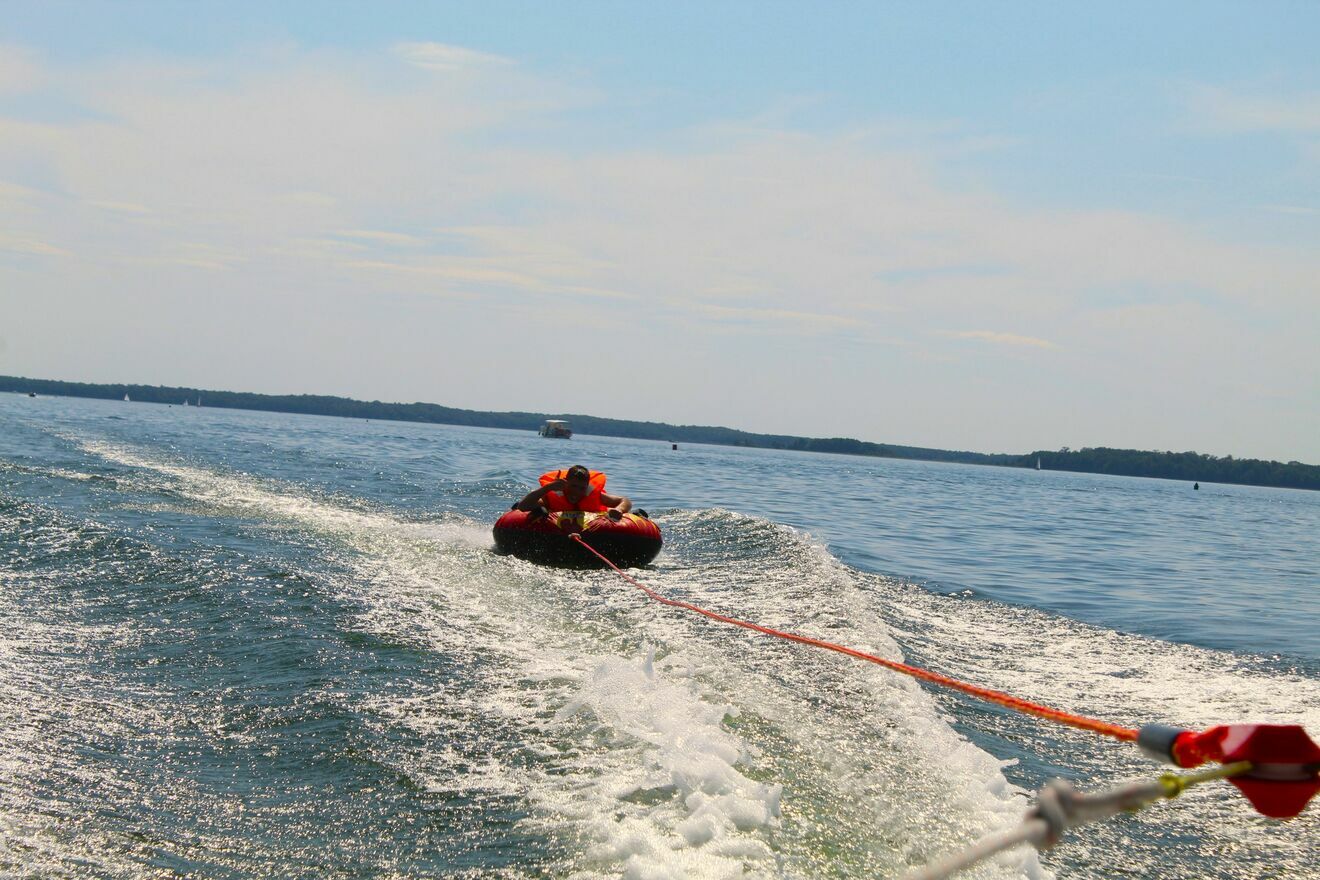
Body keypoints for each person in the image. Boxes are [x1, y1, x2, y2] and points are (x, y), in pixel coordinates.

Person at [516, 464, 632, 521]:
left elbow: (624, 500)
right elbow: (523, 506)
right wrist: (547, 488)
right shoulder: (552, 495)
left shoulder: (593, 494)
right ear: (565, 482)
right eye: (573, 486)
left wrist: (619, 510)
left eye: (582, 488)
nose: (577, 492)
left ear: (587, 486)